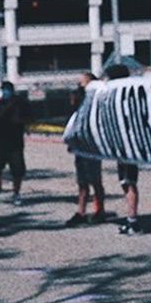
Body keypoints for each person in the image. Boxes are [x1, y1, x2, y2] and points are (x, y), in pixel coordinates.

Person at [103, 64, 143, 234]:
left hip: (129, 146)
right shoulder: (124, 95)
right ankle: (130, 217)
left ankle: (133, 220)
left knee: (129, 182)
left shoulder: (126, 96)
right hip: (122, 146)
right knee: (125, 182)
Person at [65, 72, 106, 226]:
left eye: (82, 83)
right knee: (82, 181)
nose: (80, 86)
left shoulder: (98, 97)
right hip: (81, 145)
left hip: (93, 145)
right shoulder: (80, 98)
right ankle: (81, 211)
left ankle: (99, 210)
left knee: (95, 180)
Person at [0, 79, 29, 206]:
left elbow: (29, 117)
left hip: (15, 142)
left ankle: (16, 192)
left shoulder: (21, 104)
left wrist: (19, 119)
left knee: (17, 169)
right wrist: (8, 107)